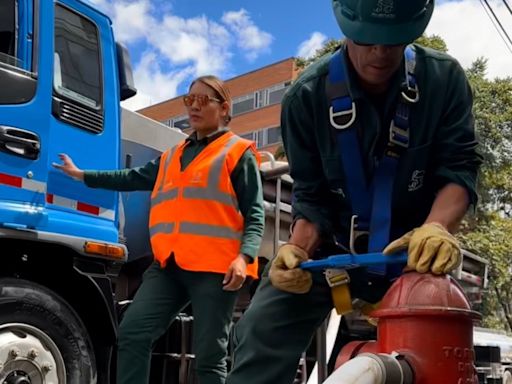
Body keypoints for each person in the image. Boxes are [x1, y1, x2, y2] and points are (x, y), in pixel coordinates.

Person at [226, 0, 482, 383]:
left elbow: (459, 168)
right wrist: (296, 249)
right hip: (332, 256)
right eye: (366, 39)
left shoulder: (443, 81)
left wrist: (437, 228)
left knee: (437, 341)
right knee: (260, 327)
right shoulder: (305, 99)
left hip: (413, 254)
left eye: (393, 41)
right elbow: (310, 197)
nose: (380, 53)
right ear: (345, 28)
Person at [53, 75, 265, 384]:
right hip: (169, 267)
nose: (194, 106)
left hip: (215, 271)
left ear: (224, 108)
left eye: (203, 100)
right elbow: (130, 177)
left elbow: (255, 213)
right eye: (189, 99)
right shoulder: (172, 156)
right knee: (133, 334)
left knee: (209, 358)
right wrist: (82, 175)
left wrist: (244, 258)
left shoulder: (237, 153)